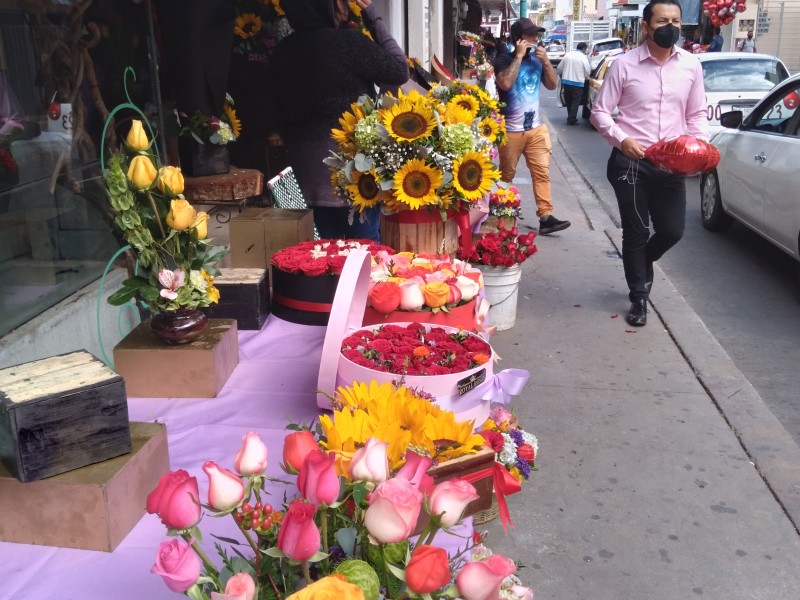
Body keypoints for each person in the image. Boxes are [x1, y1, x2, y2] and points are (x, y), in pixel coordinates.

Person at [589, 0, 708, 327]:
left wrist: (697, 145)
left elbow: (696, 114)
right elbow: (599, 112)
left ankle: (642, 261)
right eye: (662, 21)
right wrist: (620, 138)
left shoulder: (691, 66)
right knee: (636, 231)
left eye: (675, 20)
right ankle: (639, 297)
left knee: (672, 230)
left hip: (671, 163)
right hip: (631, 163)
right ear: (645, 26)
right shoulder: (624, 65)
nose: (670, 26)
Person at [269, 0, 408, 241]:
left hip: (307, 181)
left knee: (324, 261)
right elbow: (399, 69)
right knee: (365, 261)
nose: (345, 7)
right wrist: (371, 16)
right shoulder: (349, 44)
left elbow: (278, 114)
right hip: (355, 180)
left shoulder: (283, 52)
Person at [493, 18, 571, 235]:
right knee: (506, 175)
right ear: (518, 38)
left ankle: (546, 217)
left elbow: (553, 84)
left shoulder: (538, 60)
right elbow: (505, 83)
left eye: (536, 35)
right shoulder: (503, 59)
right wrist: (518, 56)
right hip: (510, 130)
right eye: (530, 35)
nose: (535, 39)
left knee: (541, 173)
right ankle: (503, 215)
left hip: (536, 129)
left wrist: (546, 62)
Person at [557, 42, 591, 125]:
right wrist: (586, 77)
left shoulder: (568, 55)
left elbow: (559, 68)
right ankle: (571, 119)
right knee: (575, 101)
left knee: (568, 100)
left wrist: (562, 74)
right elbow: (587, 70)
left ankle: (570, 116)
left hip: (566, 82)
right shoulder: (583, 57)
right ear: (583, 49)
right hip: (578, 83)